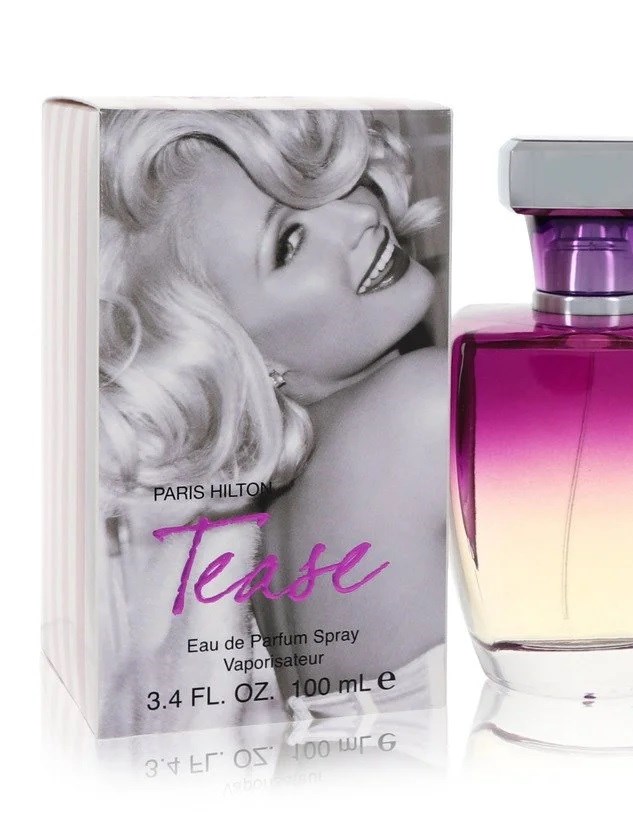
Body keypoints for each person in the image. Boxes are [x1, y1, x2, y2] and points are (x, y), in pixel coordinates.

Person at [99, 108, 447, 734]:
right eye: (288, 243)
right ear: (236, 355)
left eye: (322, 184)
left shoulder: (290, 513)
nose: (358, 216)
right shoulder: (421, 408)